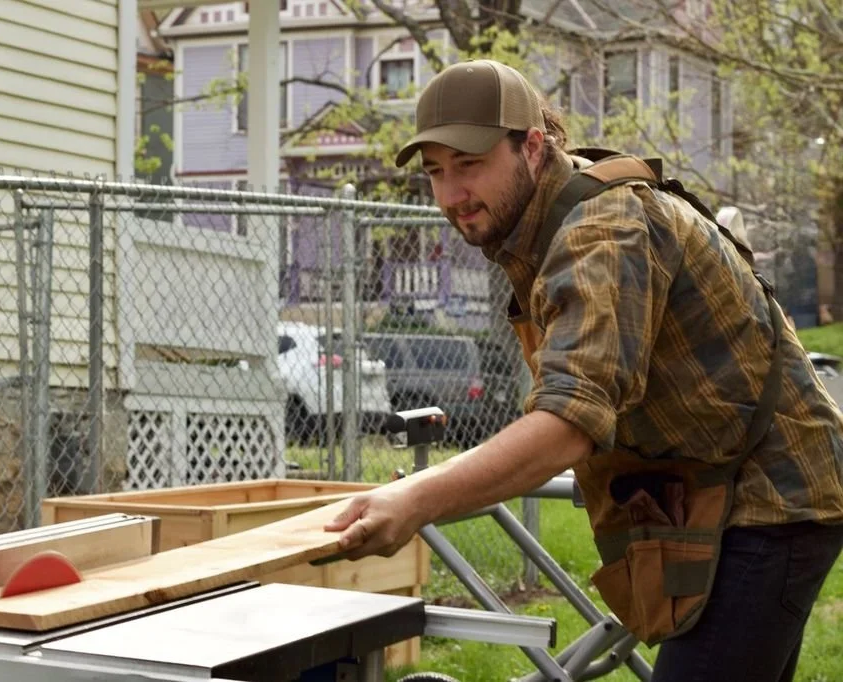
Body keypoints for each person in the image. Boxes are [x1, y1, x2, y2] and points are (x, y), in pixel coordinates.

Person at [323, 59, 843, 681]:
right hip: (727, 489)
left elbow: (569, 421)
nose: (451, 194)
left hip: (771, 498)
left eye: (469, 165)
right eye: (436, 172)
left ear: (533, 146)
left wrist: (413, 499)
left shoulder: (602, 230)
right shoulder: (548, 217)